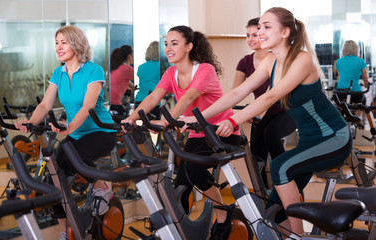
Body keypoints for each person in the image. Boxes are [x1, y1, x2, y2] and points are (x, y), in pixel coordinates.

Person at [181, 7, 352, 237]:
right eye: (259, 26)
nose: (260, 32)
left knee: (279, 166)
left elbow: (270, 97)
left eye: (266, 27)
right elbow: (238, 92)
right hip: (308, 143)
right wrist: (197, 119)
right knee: (274, 209)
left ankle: (296, 237)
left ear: (285, 32)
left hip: (333, 138)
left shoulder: (302, 59)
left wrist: (232, 121)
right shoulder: (271, 60)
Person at [122, 25, 241, 239]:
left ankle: (223, 214)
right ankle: (177, 230)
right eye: (166, 44)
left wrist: (168, 122)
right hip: (197, 133)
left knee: (193, 171)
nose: (168, 48)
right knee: (181, 182)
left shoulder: (204, 69)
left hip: (221, 131)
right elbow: (152, 98)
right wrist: (133, 117)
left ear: (189, 47)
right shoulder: (170, 72)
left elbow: (188, 98)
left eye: (174, 43)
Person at [15, 25, 117, 239]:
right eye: (56, 43)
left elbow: (88, 106)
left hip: (101, 131)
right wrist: (31, 123)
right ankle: (67, 231)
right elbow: (45, 105)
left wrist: (69, 127)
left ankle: (102, 187)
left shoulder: (93, 70)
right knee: (53, 183)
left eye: (64, 42)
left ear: (77, 44)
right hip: (76, 134)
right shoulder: (58, 73)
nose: (58, 47)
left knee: (77, 155)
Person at [233, 17, 296, 189]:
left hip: (284, 111)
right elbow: (236, 92)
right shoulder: (245, 62)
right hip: (261, 114)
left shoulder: (277, 59)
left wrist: (255, 114)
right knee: (256, 158)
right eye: (248, 35)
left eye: (255, 34)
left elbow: (271, 95)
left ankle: (285, 177)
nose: (251, 39)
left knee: (270, 134)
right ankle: (265, 197)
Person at [335, 40, 369, 105]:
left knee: (342, 106)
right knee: (362, 102)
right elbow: (365, 78)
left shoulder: (339, 61)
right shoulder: (361, 61)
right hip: (355, 92)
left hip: (340, 92)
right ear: (356, 49)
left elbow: (339, 77)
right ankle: (358, 115)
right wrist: (366, 85)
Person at [135, 41, 161, 119]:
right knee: (156, 127)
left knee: (144, 127)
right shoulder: (161, 66)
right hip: (153, 102)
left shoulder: (141, 67)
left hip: (139, 100)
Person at [109, 45, 134, 115]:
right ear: (129, 56)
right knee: (127, 121)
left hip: (109, 103)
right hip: (116, 103)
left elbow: (129, 84)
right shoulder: (126, 69)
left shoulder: (115, 67)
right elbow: (139, 78)